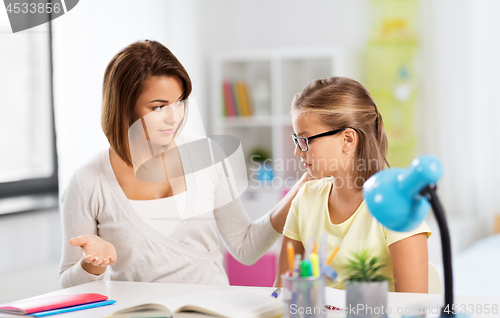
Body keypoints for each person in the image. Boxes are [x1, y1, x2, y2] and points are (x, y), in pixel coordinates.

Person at [59, 40, 309, 288]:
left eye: (180, 102)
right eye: (159, 107)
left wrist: (303, 187)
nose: (175, 117)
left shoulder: (207, 156)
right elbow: (69, 283)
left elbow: (246, 247)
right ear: (124, 107)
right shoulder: (88, 182)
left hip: (212, 310)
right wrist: (93, 264)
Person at [275, 77, 431, 293]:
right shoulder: (305, 199)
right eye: (296, 140)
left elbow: (413, 309)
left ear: (347, 139)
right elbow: (283, 292)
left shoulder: (397, 207)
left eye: (305, 140)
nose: (297, 151)